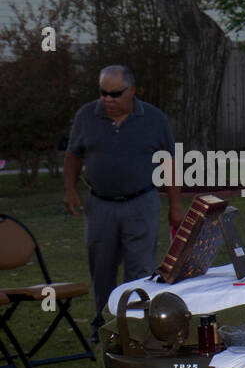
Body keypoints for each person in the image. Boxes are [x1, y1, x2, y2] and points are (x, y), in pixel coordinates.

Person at [64, 65, 182, 340]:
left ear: (132, 91)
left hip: (141, 202)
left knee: (140, 270)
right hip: (100, 205)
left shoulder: (153, 118)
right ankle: (103, 325)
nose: (108, 100)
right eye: (103, 93)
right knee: (102, 268)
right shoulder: (86, 116)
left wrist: (175, 205)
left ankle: (135, 326)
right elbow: (73, 155)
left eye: (115, 94)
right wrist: (70, 189)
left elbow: (169, 163)